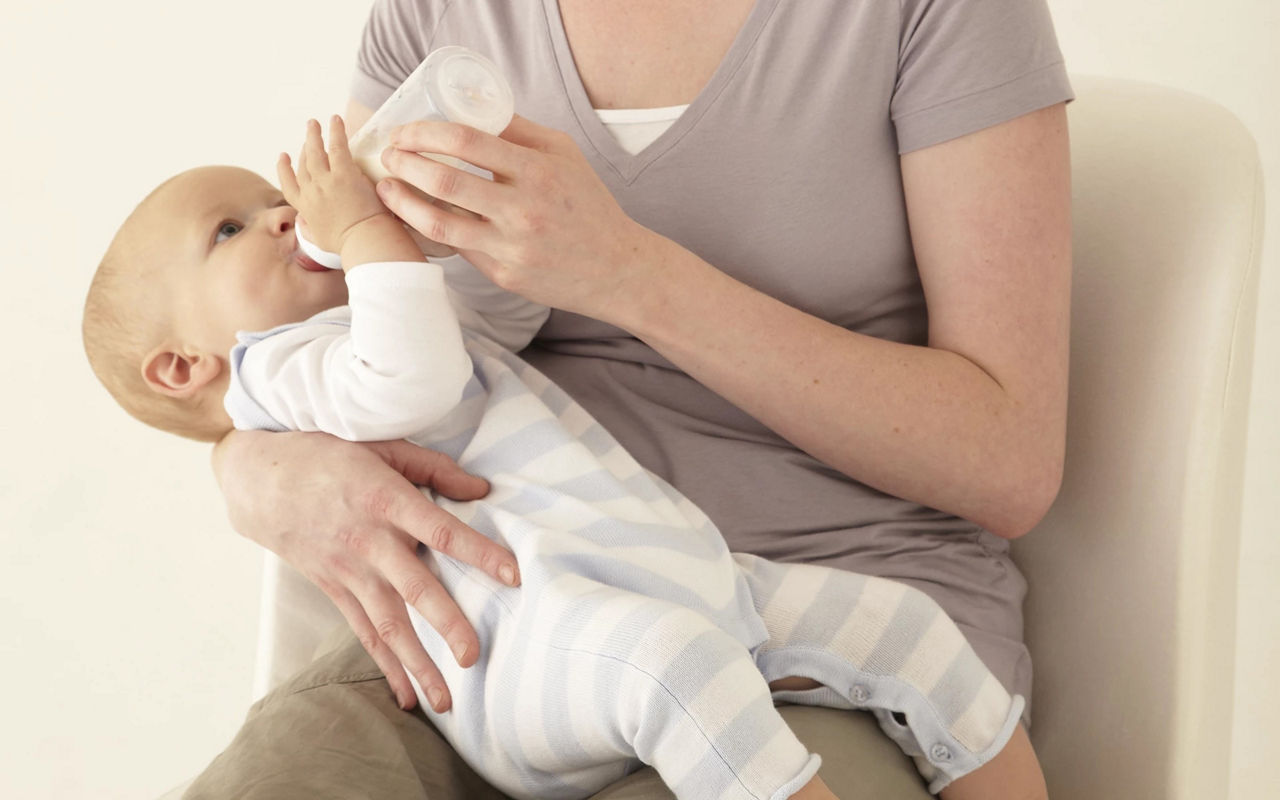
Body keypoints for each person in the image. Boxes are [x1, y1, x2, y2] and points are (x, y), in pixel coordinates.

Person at [176, 0, 1074, 797]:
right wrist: (248, 467)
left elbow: (1009, 463)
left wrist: (632, 275)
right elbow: (337, 318)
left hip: (826, 634)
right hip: (499, 631)